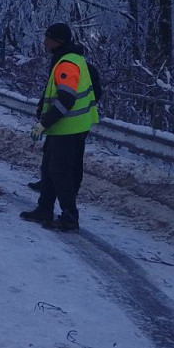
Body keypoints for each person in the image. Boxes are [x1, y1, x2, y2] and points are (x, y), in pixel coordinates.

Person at [20, 22, 100, 231]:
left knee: (60, 171)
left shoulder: (67, 64)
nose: (44, 42)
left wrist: (43, 123)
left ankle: (69, 217)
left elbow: (66, 98)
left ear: (57, 41)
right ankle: (44, 209)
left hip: (69, 127)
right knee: (48, 169)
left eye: (47, 38)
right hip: (64, 126)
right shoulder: (68, 59)